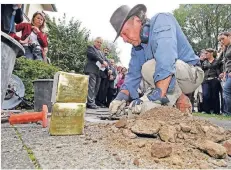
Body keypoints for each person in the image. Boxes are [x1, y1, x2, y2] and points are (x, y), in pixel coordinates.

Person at [108, 4, 204, 116]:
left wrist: (156, 97)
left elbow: (166, 59)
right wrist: (120, 97)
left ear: (137, 21)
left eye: (125, 33)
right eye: (121, 36)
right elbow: (133, 74)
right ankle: (179, 100)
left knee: (148, 68)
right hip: (170, 79)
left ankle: (165, 96)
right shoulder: (137, 47)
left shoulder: (162, 20)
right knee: (136, 111)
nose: (124, 40)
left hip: (191, 74)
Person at [84, 37, 108, 109]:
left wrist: (105, 64)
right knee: (91, 87)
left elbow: (105, 60)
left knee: (96, 87)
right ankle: (90, 103)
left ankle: (91, 101)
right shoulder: (91, 48)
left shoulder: (101, 52)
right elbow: (93, 56)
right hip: (91, 70)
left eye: (100, 43)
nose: (99, 44)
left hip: (99, 72)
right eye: (98, 42)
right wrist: (102, 61)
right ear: (95, 41)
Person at [201, 48, 222, 114]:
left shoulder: (217, 61)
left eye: (207, 53)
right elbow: (202, 70)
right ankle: (206, 110)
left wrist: (220, 76)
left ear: (211, 53)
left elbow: (221, 70)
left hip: (215, 79)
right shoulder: (204, 62)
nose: (205, 55)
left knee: (214, 95)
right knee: (205, 94)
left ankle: (216, 111)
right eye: (205, 53)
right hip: (206, 80)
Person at [218, 32, 231, 115]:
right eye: (220, 40)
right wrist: (224, 72)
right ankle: (227, 112)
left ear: (229, 36)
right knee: (226, 91)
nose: (221, 41)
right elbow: (225, 61)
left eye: (223, 38)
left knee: (226, 90)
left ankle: (227, 112)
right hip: (227, 73)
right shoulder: (226, 48)